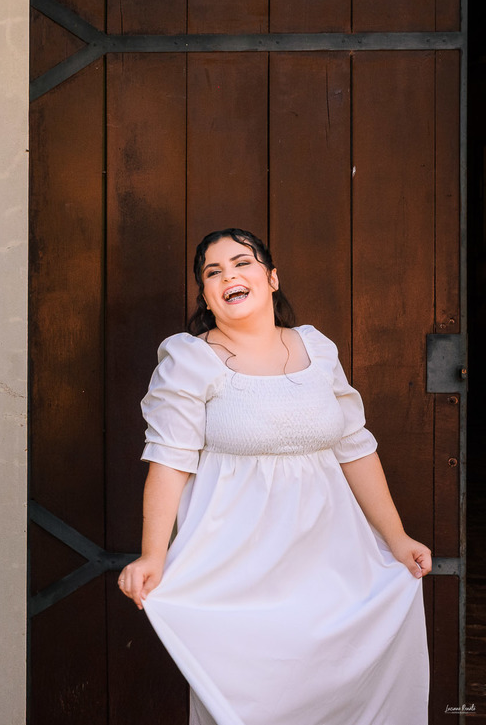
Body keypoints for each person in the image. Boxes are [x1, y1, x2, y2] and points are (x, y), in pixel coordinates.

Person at [116, 228, 430, 725]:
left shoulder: (316, 348)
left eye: (242, 263)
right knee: (252, 698)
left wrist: (397, 538)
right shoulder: (190, 359)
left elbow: (355, 448)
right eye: (213, 272)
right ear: (206, 296)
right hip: (236, 566)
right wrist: (153, 554)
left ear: (272, 278)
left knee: (335, 687)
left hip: (330, 560)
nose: (229, 276)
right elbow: (169, 462)